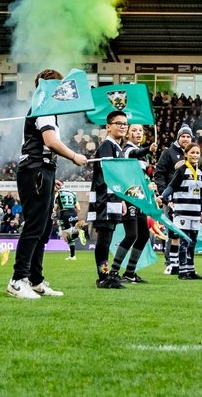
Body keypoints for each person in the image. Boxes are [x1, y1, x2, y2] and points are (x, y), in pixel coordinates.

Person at [6, 69, 87, 300]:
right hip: (36, 168)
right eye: (56, 85)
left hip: (42, 169)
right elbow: (50, 141)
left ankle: (35, 280)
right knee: (34, 226)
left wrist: (50, 173)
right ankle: (17, 280)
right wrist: (74, 156)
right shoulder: (44, 108)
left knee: (41, 228)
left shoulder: (46, 110)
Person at [89, 111, 128, 289]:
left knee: (107, 238)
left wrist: (122, 200)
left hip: (112, 200)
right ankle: (103, 276)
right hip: (104, 200)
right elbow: (108, 176)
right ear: (108, 126)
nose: (122, 126)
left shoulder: (117, 147)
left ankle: (107, 274)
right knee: (104, 240)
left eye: (125, 124)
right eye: (118, 123)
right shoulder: (107, 145)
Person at [162, 143, 202, 280]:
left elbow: (201, 193)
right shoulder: (182, 170)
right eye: (192, 152)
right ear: (186, 154)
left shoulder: (200, 172)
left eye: (197, 153)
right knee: (183, 242)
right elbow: (171, 186)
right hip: (182, 212)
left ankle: (191, 269)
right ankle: (182, 271)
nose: (195, 155)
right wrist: (163, 197)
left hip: (195, 212)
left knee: (193, 242)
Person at [113, 123, 153, 281]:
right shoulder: (127, 149)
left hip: (140, 199)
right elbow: (135, 152)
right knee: (131, 235)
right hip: (129, 197)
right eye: (134, 130)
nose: (138, 133)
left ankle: (129, 273)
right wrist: (149, 148)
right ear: (127, 135)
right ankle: (113, 272)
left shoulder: (142, 155)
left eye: (140, 130)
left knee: (143, 235)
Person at [153, 125, 191, 276]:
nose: (186, 139)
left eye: (188, 137)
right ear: (178, 138)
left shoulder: (193, 154)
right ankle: (170, 263)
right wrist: (164, 195)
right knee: (173, 231)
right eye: (183, 136)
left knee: (187, 231)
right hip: (172, 199)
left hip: (189, 199)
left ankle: (185, 262)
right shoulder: (168, 153)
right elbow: (159, 174)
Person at [53, 181, 84, 261]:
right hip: (73, 213)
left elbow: (54, 207)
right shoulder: (72, 193)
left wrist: (54, 213)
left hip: (65, 213)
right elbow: (79, 209)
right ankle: (73, 256)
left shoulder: (58, 193)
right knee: (71, 236)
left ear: (57, 186)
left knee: (66, 238)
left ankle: (78, 234)